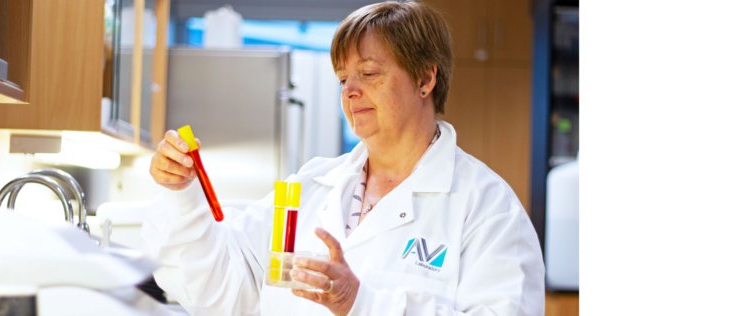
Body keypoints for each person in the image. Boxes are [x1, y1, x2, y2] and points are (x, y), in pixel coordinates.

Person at [143, 1, 544, 315]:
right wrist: (182, 194)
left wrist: (361, 303)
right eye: (342, 78)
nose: (349, 90)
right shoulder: (310, 189)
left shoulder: (488, 209)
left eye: (369, 73)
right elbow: (219, 287)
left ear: (425, 79)